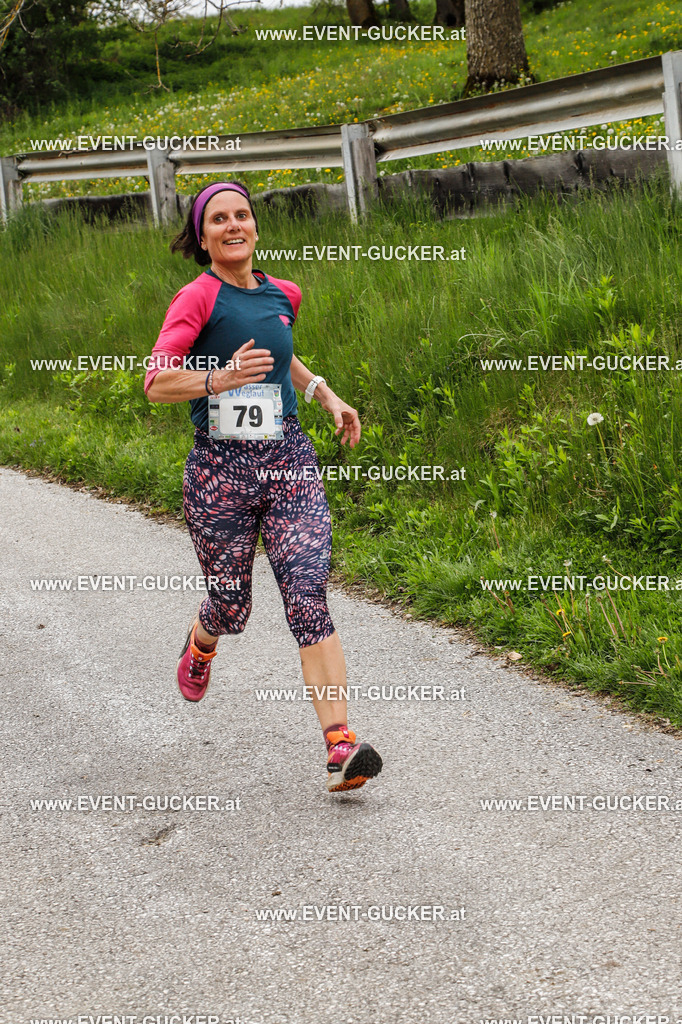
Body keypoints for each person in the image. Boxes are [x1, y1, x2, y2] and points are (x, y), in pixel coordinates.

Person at [144, 180, 382, 794]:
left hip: (288, 460)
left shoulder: (283, 294)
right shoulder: (195, 298)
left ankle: (340, 744)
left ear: (255, 226)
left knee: (307, 591)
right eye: (218, 219)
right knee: (231, 606)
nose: (233, 225)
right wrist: (218, 379)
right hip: (220, 471)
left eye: (241, 215)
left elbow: (283, 356)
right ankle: (202, 642)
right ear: (203, 236)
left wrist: (325, 393)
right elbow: (157, 382)